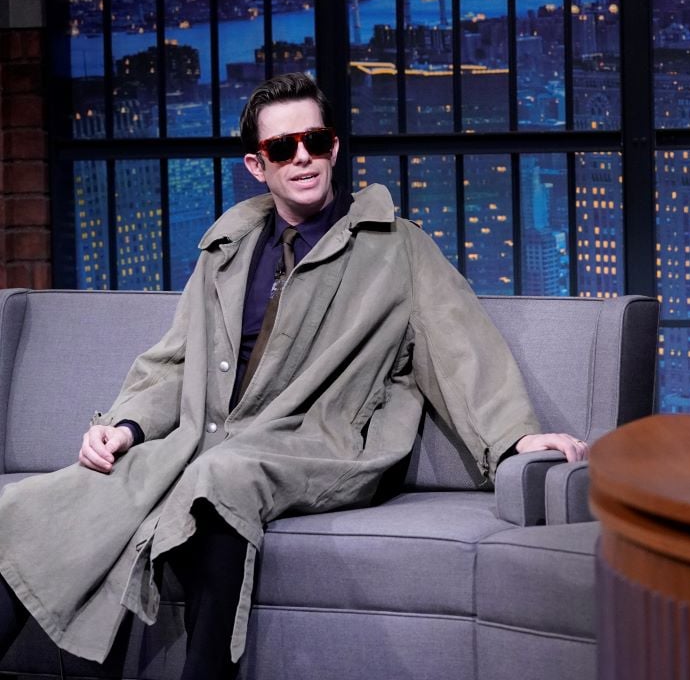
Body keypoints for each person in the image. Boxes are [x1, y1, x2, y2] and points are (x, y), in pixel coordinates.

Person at [0, 73, 589, 679]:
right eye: (283, 148)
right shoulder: (227, 249)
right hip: (205, 438)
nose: (302, 157)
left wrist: (516, 437)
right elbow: (175, 361)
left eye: (315, 141)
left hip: (319, 440)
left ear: (334, 147)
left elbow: (460, 346)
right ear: (258, 166)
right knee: (33, 507)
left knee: (221, 478)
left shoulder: (398, 247)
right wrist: (125, 427)